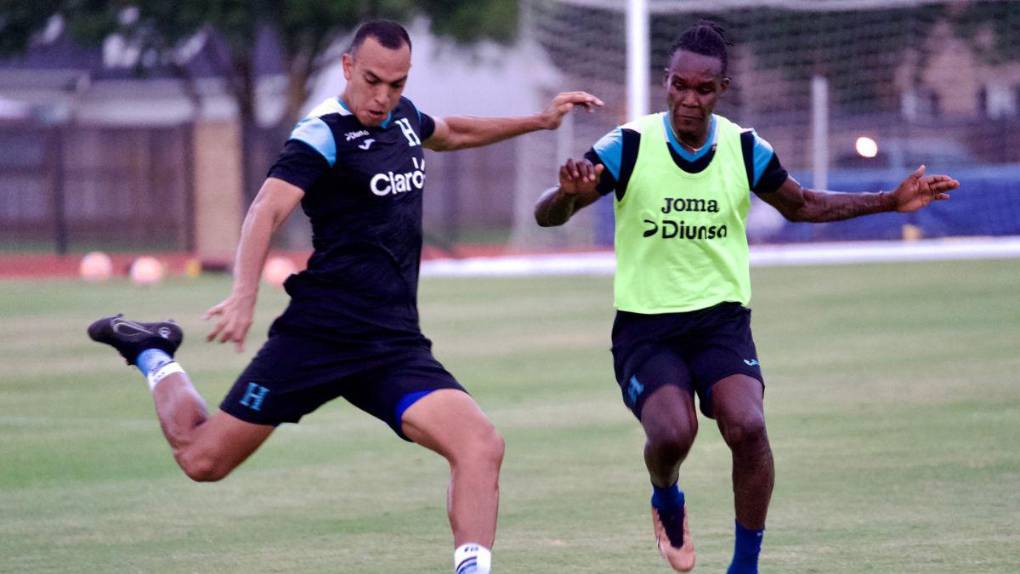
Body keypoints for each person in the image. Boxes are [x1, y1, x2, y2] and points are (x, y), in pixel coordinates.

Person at [87, 20, 602, 574]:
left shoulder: (403, 118)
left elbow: (452, 131)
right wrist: (243, 295)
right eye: (373, 81)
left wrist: (540, 121)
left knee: (480, 445)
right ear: (348, 67)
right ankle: (154, 352)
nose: (383, 97)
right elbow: (266, 209)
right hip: (319, 336)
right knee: (202, 460)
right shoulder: (322, 133)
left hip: (392, 345)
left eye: (397, 84)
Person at [533, 21, 958, 574]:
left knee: (748, 426)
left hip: (721, 324)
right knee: (673, 434)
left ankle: (745, 567)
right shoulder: (629, 146)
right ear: (666, 82)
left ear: (722, 90)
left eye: (703, 89)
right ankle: (666, 495)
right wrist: (567, 197)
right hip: (646, 327)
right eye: (679, 85)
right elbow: (547, 215)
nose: (689, 99)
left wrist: (889, 201)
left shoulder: (744, 147)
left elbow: (802, 205)